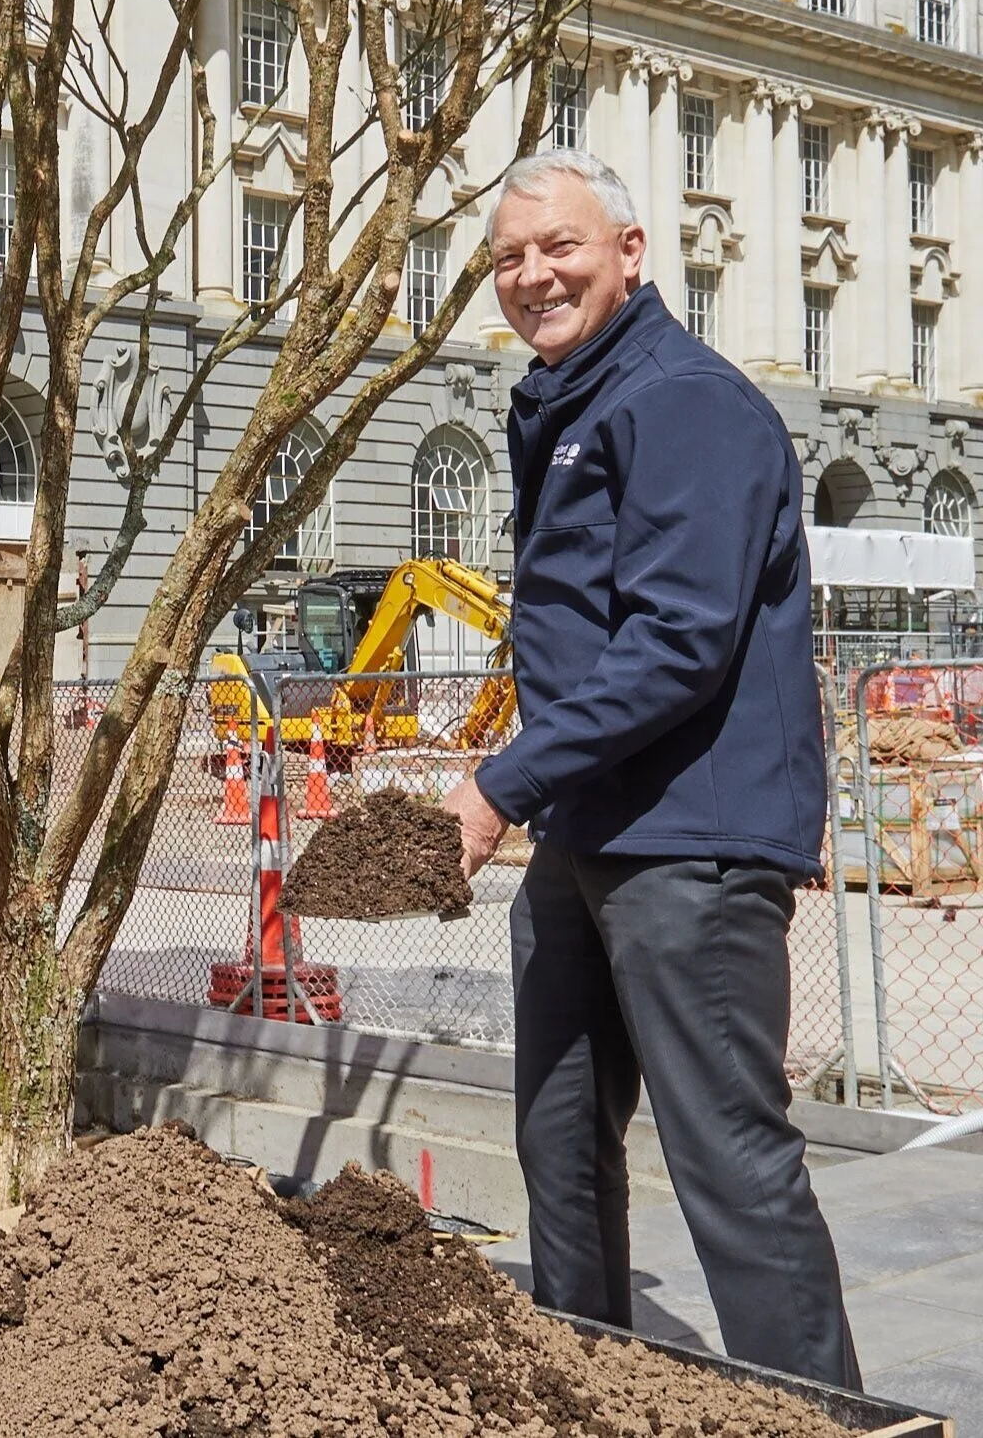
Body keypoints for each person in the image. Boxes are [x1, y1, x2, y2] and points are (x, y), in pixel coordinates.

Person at [440, 150, 858, 1388]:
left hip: (693, 842)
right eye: (507, 258)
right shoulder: (573, 400)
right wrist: (535, 784)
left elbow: (676, 640)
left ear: (629, 252)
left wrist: (499, 782)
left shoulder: (683, 402)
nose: (530, 275)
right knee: (558, 1138)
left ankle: (823, 1418)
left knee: (726, 1157)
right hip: (589, 832)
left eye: (557, 246)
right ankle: (587, 1383)